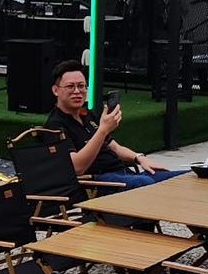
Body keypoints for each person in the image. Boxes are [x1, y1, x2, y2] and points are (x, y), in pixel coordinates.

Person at [45, 59, 185, 188]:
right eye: (70, 86)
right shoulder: (55, 125)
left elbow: (116, 148)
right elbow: (76, 167)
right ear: (55, 90)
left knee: (184, 176)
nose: (77, 91)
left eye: (81, 86)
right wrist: (103, 130)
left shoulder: (88, 115)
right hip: (97, 181)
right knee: (145, 183)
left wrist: (139, 158)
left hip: (123, 173)